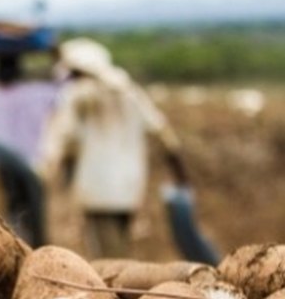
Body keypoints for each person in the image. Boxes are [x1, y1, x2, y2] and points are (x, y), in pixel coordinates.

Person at [40, 38, 192, 259]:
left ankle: (114, 293)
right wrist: (180, 174)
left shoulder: (79, 96)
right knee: (121, 247)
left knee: (107, 258)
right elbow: (162, 131)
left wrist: (49, 173)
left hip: (96, 187)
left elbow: (64, 138)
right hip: (129, 185)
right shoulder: (130, 92)